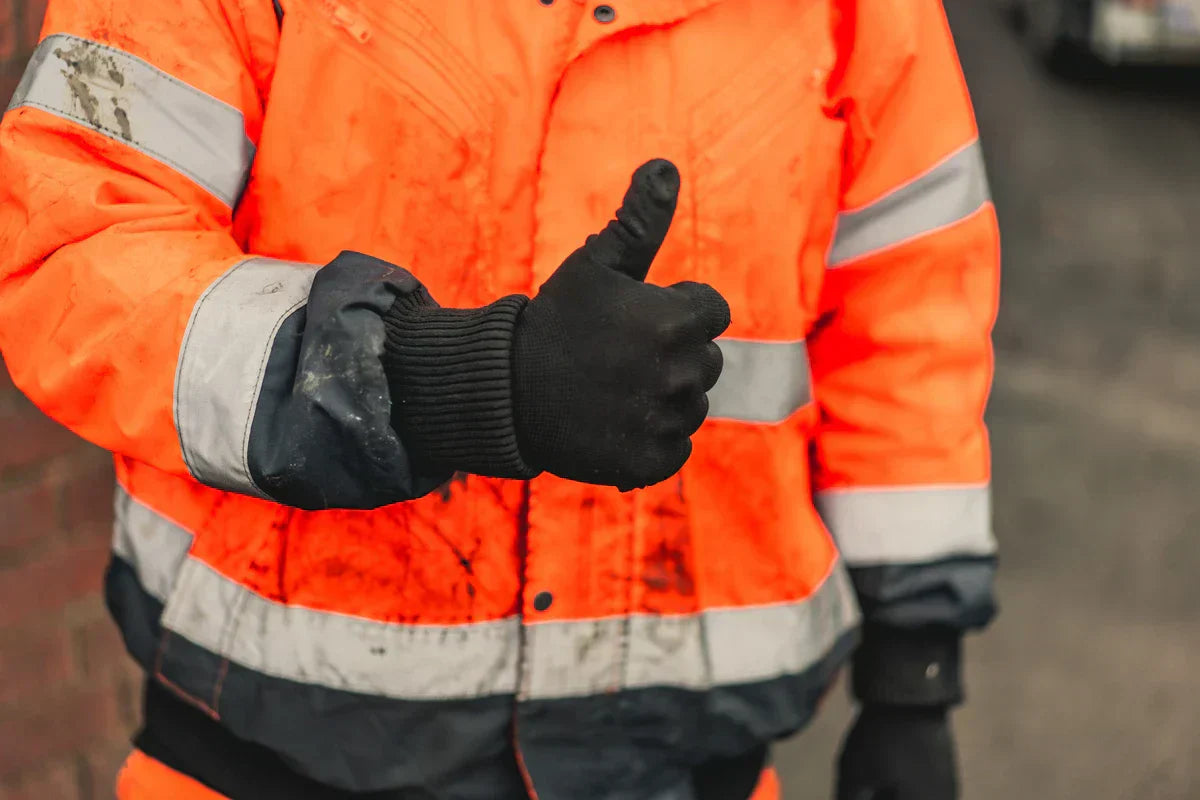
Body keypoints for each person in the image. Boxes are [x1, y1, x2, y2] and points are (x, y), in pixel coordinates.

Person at [0, 0, 999, 798]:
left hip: (686, 759)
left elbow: (908, 307)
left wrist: (915, 668)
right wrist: (437, 377)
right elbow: (76, 253)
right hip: (269, 752)